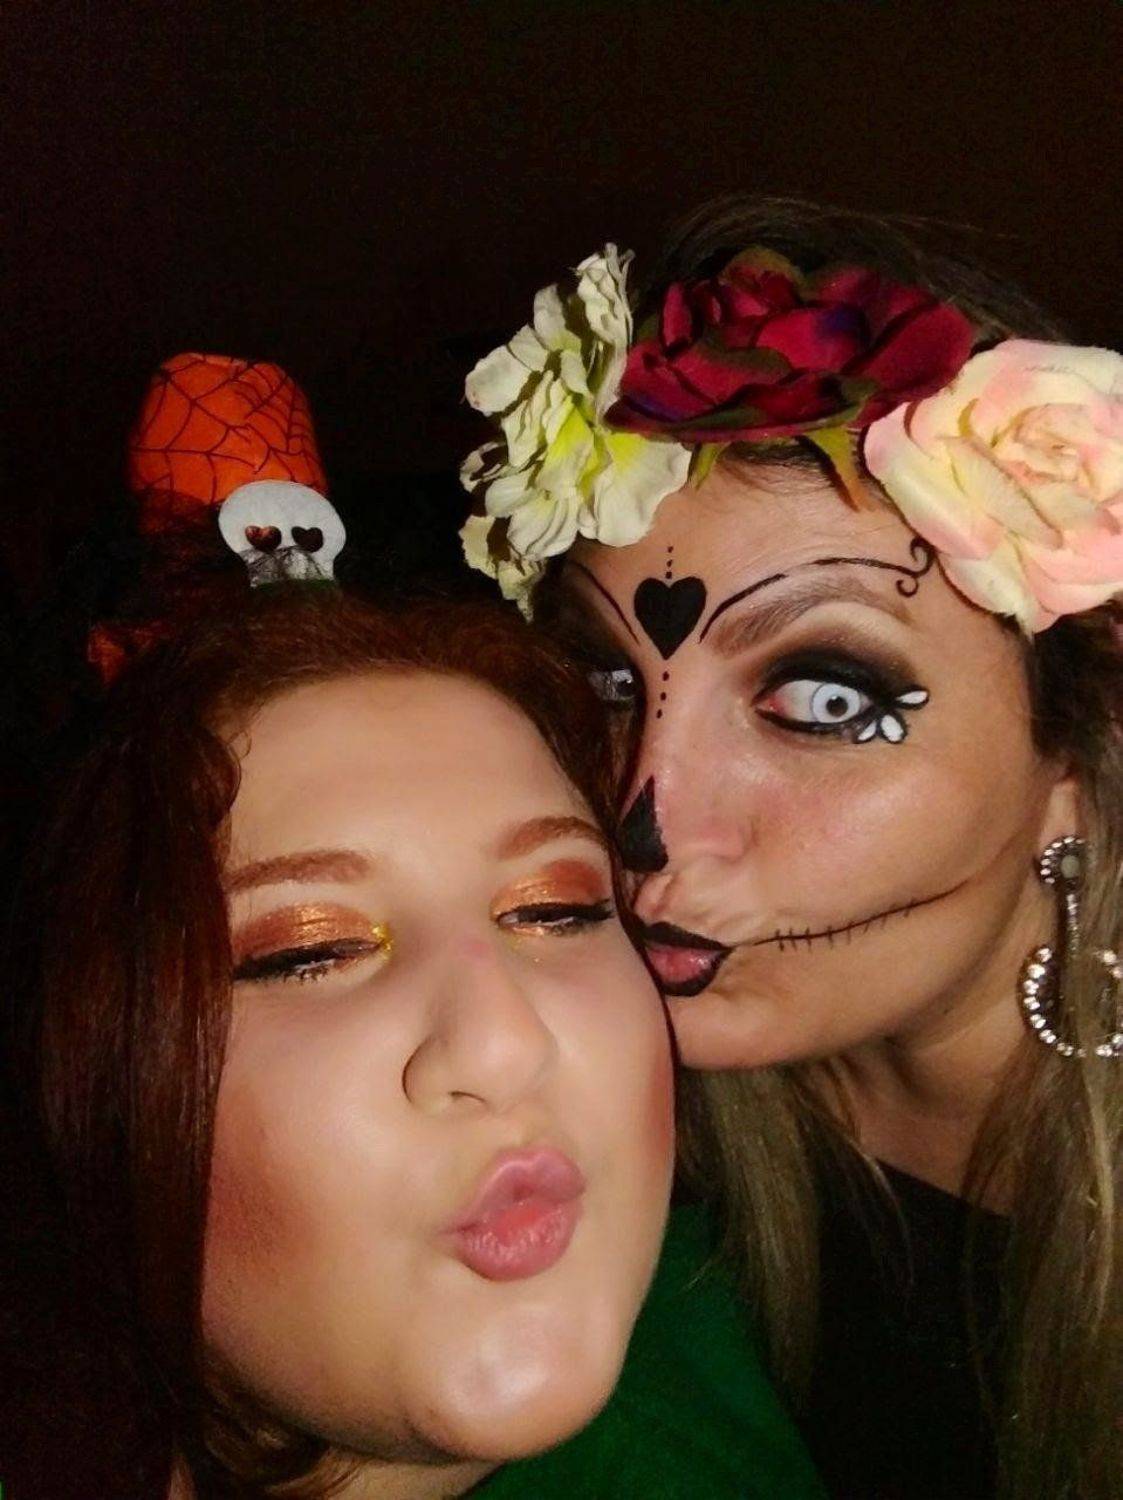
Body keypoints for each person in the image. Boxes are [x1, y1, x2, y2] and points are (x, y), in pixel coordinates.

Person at [3, 356, 825, 1499]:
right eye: (309, 949)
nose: (504, 1041)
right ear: (82, 1064)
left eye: (556, 909)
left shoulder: (788, 1341)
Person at [459, 199, 1123, 1500]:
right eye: (605, 682)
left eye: (823, 699)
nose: (644, 816)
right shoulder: (592, 1121)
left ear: (1076, 762)